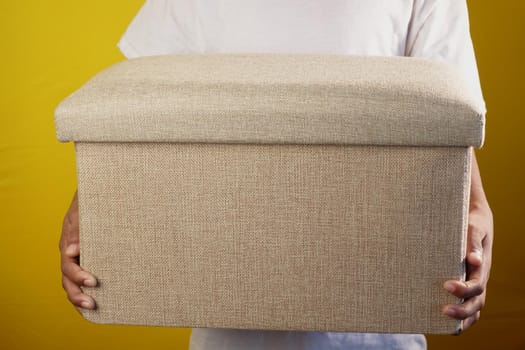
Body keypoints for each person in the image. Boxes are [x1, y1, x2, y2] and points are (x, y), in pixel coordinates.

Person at [59, 1, 494, 349]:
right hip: (226, 316)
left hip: (379, 317)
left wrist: (476, 209)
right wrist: (88, 210)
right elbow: (140, 105)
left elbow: (447, 116)